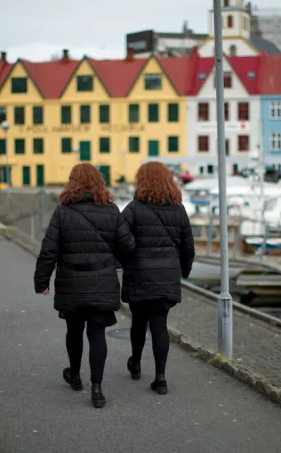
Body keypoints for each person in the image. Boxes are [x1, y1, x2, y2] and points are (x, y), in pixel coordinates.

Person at [34, 163, 135, 408]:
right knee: (97, 333)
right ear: (99, 182)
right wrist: (114, 262)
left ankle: (76, 375)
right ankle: (97, 389)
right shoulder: (111, 211)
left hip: (71, 282)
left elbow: (49, 250)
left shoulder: (62, 212)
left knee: (74, 331)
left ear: (72, 182)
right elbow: (128, 245)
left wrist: (42, 282)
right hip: (102, 280)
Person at [120, 162, 195, 395]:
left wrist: (126, 261)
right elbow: (188, 247)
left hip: (140, 274)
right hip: (167, 276)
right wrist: (184, 270)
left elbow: (120, 239)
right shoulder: (178, 209)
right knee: (159, 323)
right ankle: (160, 378)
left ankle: (135, 363)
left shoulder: (132, 209)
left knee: (138, 322)